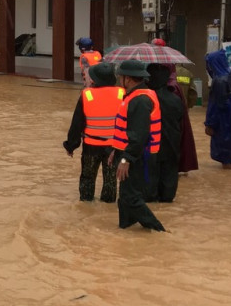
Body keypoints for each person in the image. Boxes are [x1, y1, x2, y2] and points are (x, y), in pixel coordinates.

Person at [109, 59, 166, 232]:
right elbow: (126, 131)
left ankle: (159, 231)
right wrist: (116, 151)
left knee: (130, 197)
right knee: (125, 197)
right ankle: (125, 228)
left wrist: (127, 159)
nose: (119, 80)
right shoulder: (135, 96)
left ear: (129, 78)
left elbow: (139, 135)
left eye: (121, 77)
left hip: (139, 156)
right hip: (132, 153)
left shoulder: (140, 100)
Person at [63, 62, 124, 203]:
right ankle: (108, 207)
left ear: (95, 80)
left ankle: (86, 205)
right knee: (110, 180)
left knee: (87, 178)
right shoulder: (122, 93)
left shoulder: (86, 95)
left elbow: (77, 124)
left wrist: (71, 146)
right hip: (114, 147)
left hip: (91, 146)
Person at [146, 63, 185, 202]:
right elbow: (181, 118)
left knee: (150, 181)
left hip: (151, 145)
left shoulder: (145, 99)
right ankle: (167, 198)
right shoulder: (175, 99)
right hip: (172, 143)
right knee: (169, 177)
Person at [204, 50, 231, 169]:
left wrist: (210, 124)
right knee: (228, 152)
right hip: (230, 120)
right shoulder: (229, 76)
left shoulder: (219, 81)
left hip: (222, 122)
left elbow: (216, 105)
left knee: (224, 152)